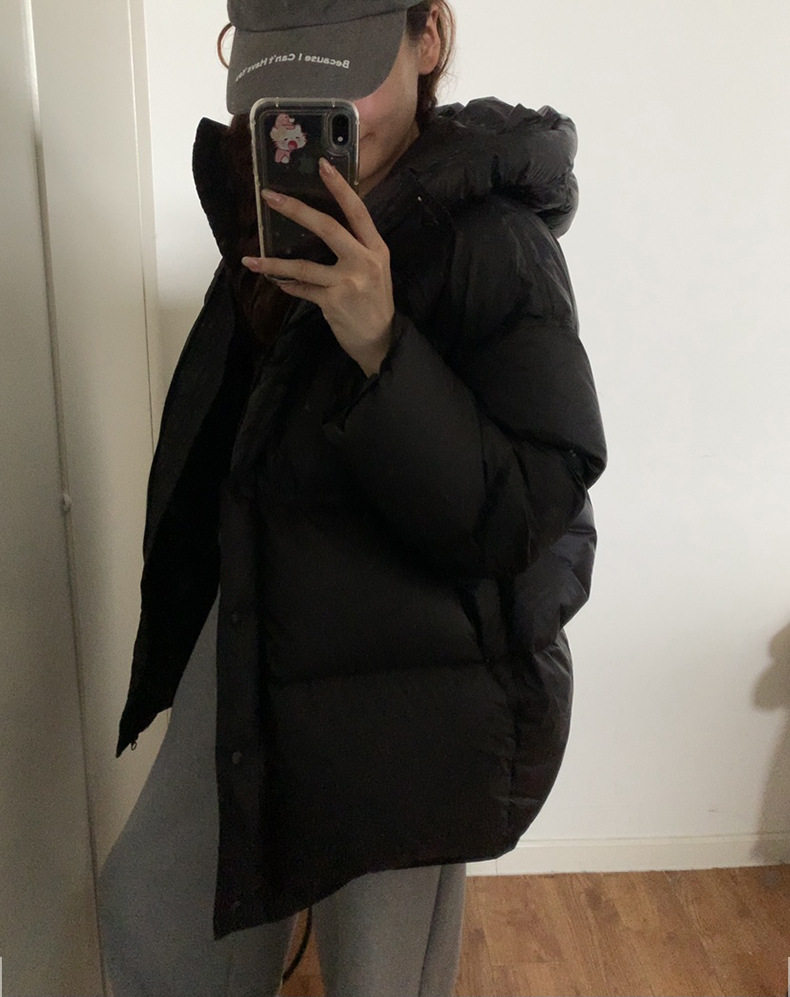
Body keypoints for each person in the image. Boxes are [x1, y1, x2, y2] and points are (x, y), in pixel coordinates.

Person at [97, 1, 607, 995]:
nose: (309, 105)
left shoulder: (496, 244)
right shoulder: (271, 202)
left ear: (428, 39)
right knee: (152, 917)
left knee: (379, 974)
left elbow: (520, 515)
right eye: (282, 74)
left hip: (412, 691)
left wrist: (382, 346)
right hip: (259, 630)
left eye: (342, 69)